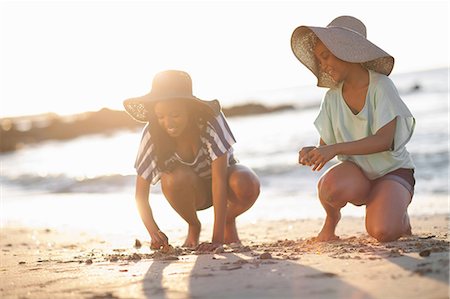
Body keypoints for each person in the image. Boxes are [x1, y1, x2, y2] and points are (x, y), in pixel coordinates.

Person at [290, 16, 415, 242]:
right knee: (328, 187)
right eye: (320, 60)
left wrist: (333, 149)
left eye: (326, 56)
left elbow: (384, 141)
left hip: (392, 173)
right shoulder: (331, 98)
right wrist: (314, 152)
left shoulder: (381, 86)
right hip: (358, 177)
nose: (323, 65)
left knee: (383, 232)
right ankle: (331, 221)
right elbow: (326, 146)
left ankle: (398, 214)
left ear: (347, 50)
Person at [123, 70, 260, 252]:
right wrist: (154, 232)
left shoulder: (212, 120)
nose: (168, 123)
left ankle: (227, 219)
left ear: (189, 109)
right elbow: (140, 195)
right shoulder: (152, 134)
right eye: (161, 116)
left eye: (175, 115)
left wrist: (216, 241)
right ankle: (193, 225)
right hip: (191, 192)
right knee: (172, 178)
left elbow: (219, 179)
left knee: (246, 182)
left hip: (224, 185)